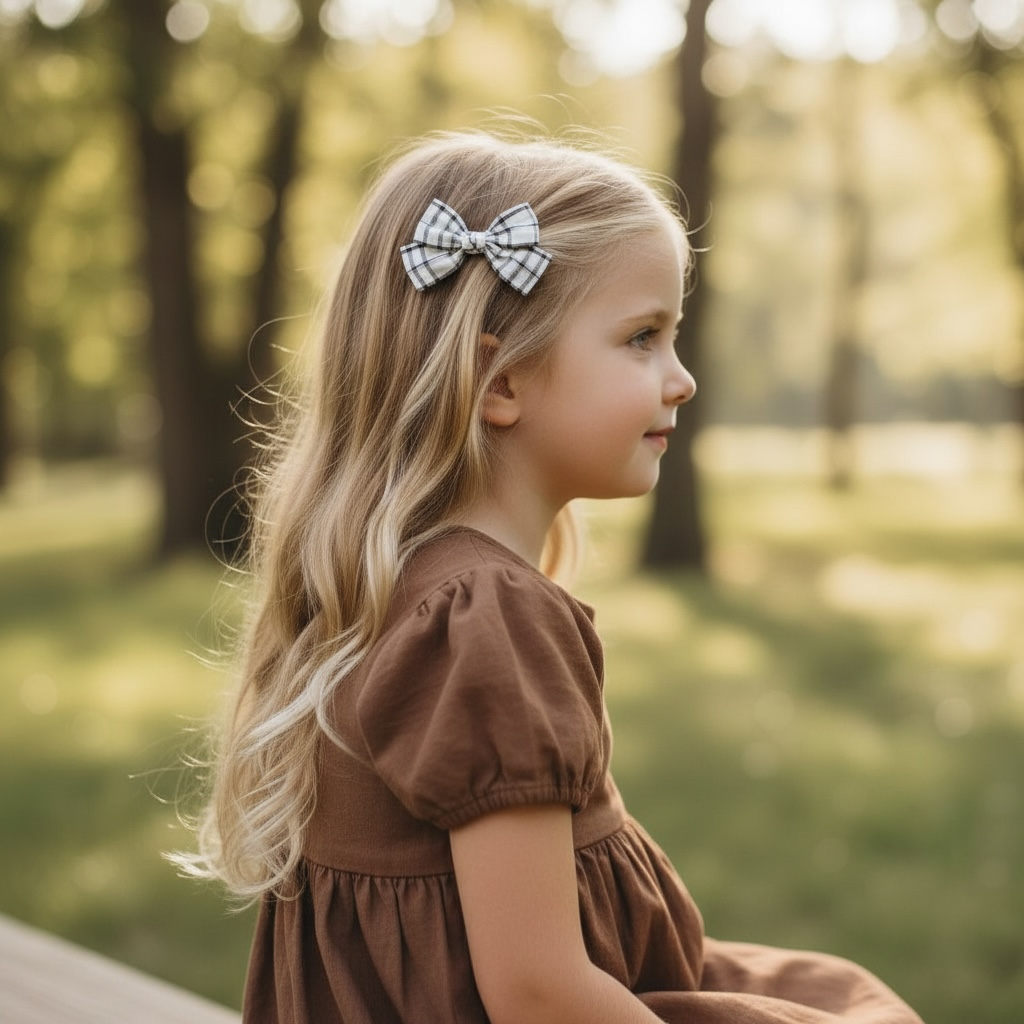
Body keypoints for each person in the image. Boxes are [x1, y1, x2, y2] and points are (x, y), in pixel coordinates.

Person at [177, 130, 924, 1024]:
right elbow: (539, 993)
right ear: (501, 380)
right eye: (642, 338)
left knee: (825, 992)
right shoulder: (483, 616)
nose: (680, 379)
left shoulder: (402, 585)